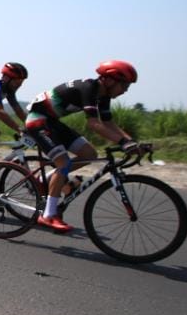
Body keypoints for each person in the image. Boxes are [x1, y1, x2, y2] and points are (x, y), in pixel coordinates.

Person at [24, 60, 140, 233]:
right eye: (124, 85)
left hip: (52, 122)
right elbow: (94, 124)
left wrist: (132, 142)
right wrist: (123, 143)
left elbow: (108, 123)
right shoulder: (89, 88)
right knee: (63, 162)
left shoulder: (104, 95)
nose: (125, 90)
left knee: (89, 153)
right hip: (37, 121)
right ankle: (48, 215)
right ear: (109, 80)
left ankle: (45, 179)